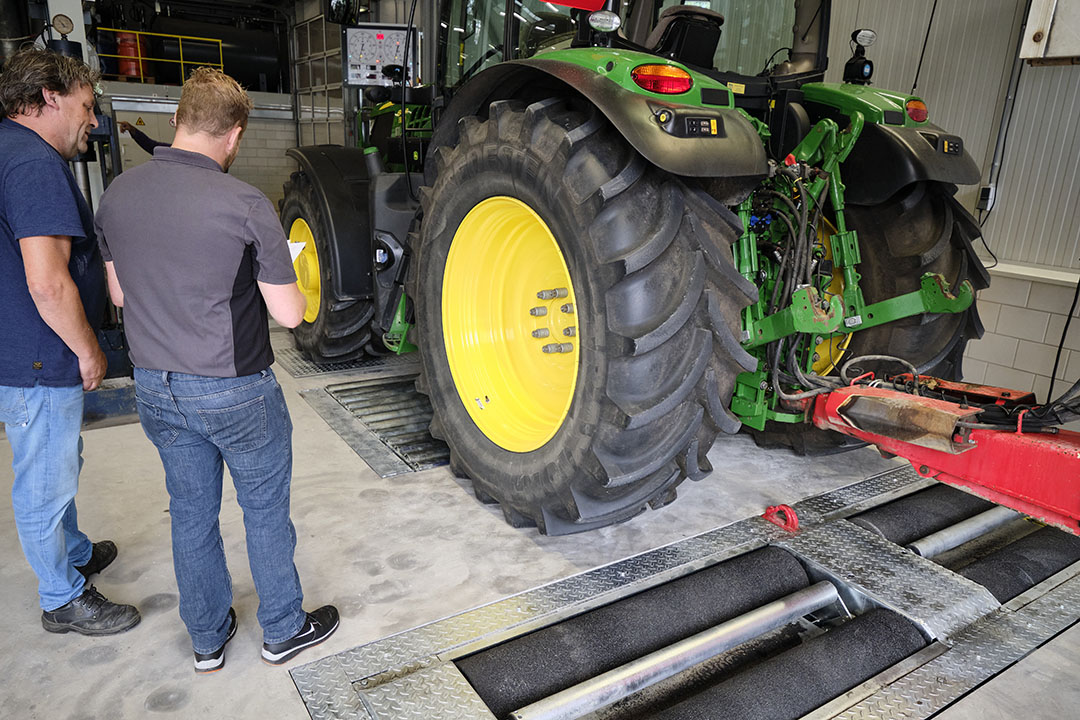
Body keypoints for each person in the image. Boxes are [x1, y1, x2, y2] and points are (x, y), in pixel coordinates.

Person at [94, 67, 338, 674]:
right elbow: (289, 312)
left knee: (191, 512)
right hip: (235, 391)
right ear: (234, 136)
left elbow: (120, 296)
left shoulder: (118, 195)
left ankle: (206, 637)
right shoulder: (245, 204)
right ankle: (282, 628)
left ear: (177, 121)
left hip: (154, 387)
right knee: (262, 508)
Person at [0, 48, 140, 635]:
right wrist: (88, 349)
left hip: (26, 346)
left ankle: (75, 550)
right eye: (87, 106)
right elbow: (47, 281)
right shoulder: (33, 164)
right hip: (41, 351)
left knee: (61, 456)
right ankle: (61, 597)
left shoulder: (11, 148)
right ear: (49, 98)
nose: (94, 120)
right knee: (46, 476)